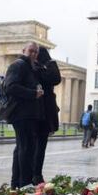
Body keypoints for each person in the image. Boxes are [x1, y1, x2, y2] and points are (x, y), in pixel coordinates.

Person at [3, 42, 44, 189]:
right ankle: (24, 183)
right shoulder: (18, 65)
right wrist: (33, 94)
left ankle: (16, 184)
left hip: (28, 114)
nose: (33, 54)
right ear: (24, 50)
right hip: (21, 114)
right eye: (31, 51)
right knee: (26, 148)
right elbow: (10, 86)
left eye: (36, 52)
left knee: (22, 148)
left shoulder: (31, 67)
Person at [33, 46, 61, 185]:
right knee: (38, 146)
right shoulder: (42, 69)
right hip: (40, 112)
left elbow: (55, 79)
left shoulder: (38, 69)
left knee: (36, 145)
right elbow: (56, 78)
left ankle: (35, 174)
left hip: (40, 112)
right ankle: (35, 174)